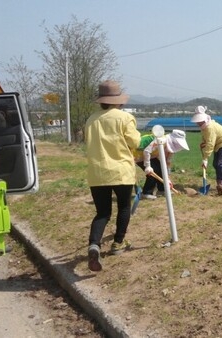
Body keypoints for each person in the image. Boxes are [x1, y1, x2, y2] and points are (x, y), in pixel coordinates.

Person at [84, 80, 141, 272]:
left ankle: (94, 245)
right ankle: (118, 243)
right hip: (121, 171)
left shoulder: (91, 119)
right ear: (118, 100)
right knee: (124, 207)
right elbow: (135, 141)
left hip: (97, 173)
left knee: (102, 212)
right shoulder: (125, 118)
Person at [190, 106, 222, 195]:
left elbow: (210, 143)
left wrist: (205, 159)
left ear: (203, 120)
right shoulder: (204, 128)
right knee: (216, 164)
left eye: (199, 121)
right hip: (218, 144)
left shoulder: (210, 127)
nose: (197, 123)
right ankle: (219, 185)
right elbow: (206, 139)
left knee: (221, 164)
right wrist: (203, 143)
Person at [134, 130, 190, 199]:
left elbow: (166, 162)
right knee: (153, 171)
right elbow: (147, 151)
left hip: (151, 156)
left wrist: (167, 179)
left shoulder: (169, 149)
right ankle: (146, 193)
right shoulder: (161, 140)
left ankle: (162, 190)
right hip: (138, 154)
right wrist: (148, 166)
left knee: (160, 168)